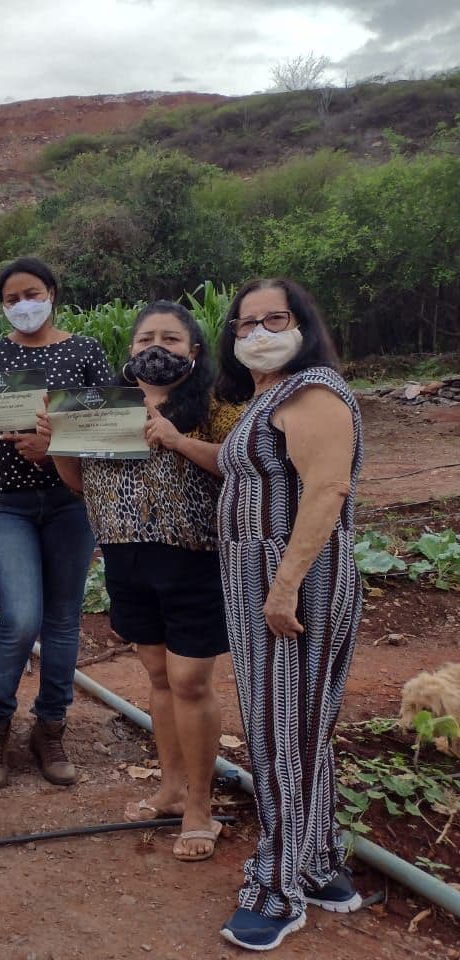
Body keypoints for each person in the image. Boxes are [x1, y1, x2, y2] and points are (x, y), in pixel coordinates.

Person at [50, 301, 238, 862]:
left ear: (194, 351)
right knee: (157, 676)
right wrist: (60, 441)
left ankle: (202, 808)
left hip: (194, 558)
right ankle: (171, 789)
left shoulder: (216, 404)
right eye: (145, 338)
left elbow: (238, 463)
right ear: (129, 349)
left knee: (190, 681)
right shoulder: (104, 405)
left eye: (172, 339)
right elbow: (80, 482)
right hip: (125, 556)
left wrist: (177, 438)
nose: (156, 347)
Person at [213, 279, 365, 952]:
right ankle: (321, 865)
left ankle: (279, 891)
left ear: (302, 322)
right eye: (246, 323)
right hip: (260, 575)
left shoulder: (314, 394)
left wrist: (283, 587)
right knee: (297, 727)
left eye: (274, 318)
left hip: (292, 579)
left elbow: (328, 489)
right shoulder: (269, 397)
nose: (259, 331)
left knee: (281, 733)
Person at [0, 256, 113, 790]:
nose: (23, 305)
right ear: (2, 306)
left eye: (31, 293)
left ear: (51, 292)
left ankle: (50, 728)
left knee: (64, 621)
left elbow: (107, 427)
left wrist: (55, 449)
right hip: (7, 504)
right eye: (11, 299)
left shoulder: (87, 350)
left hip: (70, 502)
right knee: (19, 619)